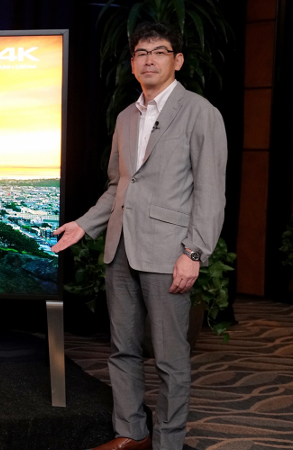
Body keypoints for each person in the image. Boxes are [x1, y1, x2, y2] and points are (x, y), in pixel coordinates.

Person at [52, 23, 227, 450]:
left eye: (160, 51)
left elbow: (210, 190)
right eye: (141, 53)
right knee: (122, 350)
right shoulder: (127, 117)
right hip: (120, 248)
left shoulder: (200, 111)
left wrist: (194, 252)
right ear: (132, 65)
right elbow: (118, 186)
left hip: (170, 253)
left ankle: (168, 443)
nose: (149, 59)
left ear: (177, 60)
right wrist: (85, 224)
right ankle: (131, 433)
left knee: (170, 360)